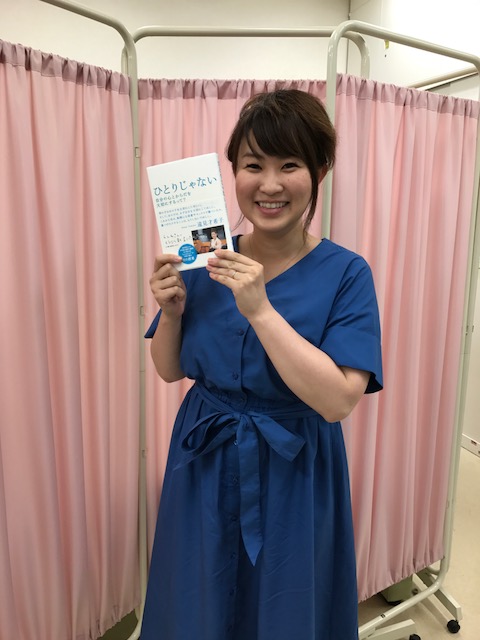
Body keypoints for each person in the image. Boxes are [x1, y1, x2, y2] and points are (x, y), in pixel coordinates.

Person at [141, 89, 383, 640]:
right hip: (202, 459)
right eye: (253, 165)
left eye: (289, 165)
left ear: (319, 172)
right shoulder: (205, 254)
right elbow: (169, 370)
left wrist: (260, 310)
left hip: (295, 468)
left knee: (284, 607)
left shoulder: (347, 273)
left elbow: (338, 400)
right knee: (197, 601)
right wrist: (172, 314)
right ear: (233, 172)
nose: (269, 185)